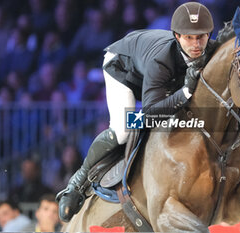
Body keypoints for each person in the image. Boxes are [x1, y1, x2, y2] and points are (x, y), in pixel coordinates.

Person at [56, 1, 216, 222]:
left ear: (209, 35)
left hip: (159, 77)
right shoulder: (162, 59)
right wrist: (185, 93)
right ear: (177, 36)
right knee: (125, 128)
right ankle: (76, 183)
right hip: (122, 67)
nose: (196, 44)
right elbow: (149, 113)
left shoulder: (212, 50)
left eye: (201, 37)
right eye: (189, 37)